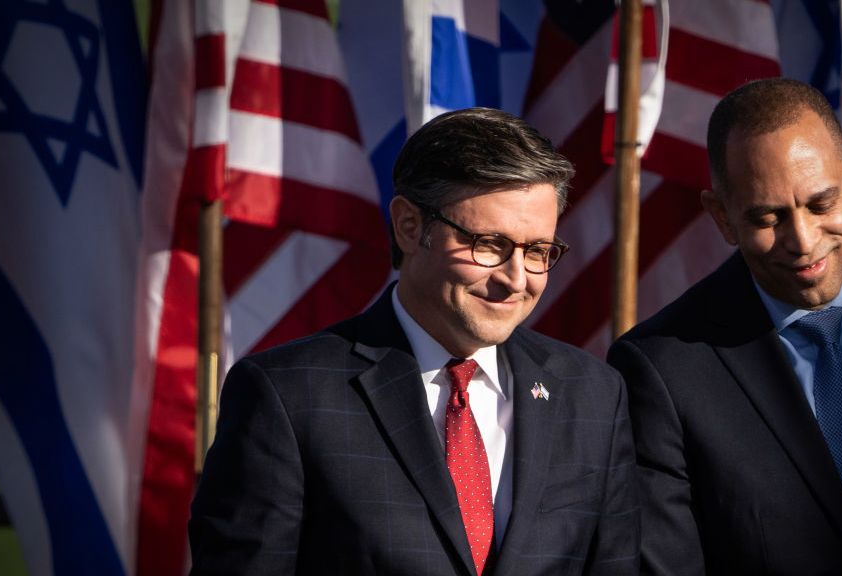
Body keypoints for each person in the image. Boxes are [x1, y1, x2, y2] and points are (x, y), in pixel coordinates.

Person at [189, 107, 639, 575]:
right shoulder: (288, 396)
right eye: (489, 244)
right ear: (409, 226)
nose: (515, 278)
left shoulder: (593, 396)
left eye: (538, 252)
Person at [608, 78, 842, 575]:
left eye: (821, 204)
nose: (802, 239)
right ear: (722, 217)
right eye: (768, 217)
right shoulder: (663, 370)